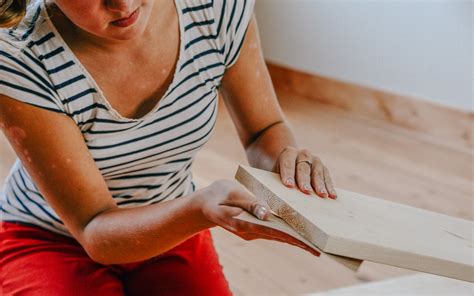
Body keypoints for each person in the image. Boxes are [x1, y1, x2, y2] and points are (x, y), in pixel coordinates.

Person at [0, 0, 338, 295]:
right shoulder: (18, 55)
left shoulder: (215, 7)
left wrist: (287, 165)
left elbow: (263, 129)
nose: (123, 4)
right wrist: (197, 210)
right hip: (51, 236)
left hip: (170, 224)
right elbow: (94, 229)